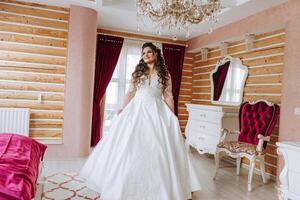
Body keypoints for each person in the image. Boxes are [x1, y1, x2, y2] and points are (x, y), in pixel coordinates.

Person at [80, 42, 201, 200]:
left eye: (149, 52)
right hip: (137, 109)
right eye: (143, 53)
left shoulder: (165, 74)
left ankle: (163, 187)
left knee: (158, 147)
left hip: (157, 110)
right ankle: (122, 183)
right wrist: (123, 108)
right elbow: (131, 92)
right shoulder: (138, 73)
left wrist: (172, 114)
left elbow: (169, 95)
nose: (146, 55)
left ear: (155, 54)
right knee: (128, 146)